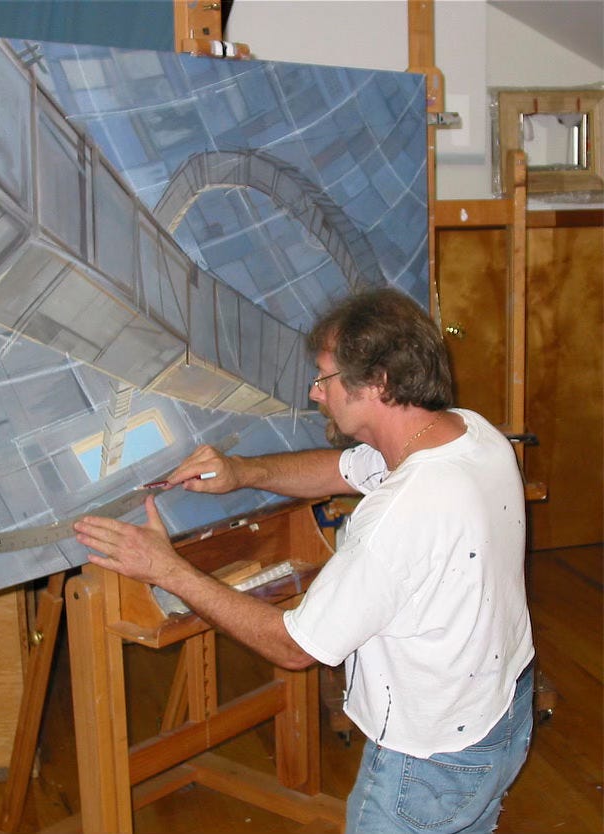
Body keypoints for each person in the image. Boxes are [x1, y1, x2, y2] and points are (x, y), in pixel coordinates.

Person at [76, 288, 532, 834]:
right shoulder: (469, 434)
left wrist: (167, 569)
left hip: (429, 759)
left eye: (325, 379)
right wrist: (242, 472)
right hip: (500, 713)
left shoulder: (400, 513)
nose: (315, 394)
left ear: (378, 383)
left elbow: (295, 647)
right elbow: (344, 469)